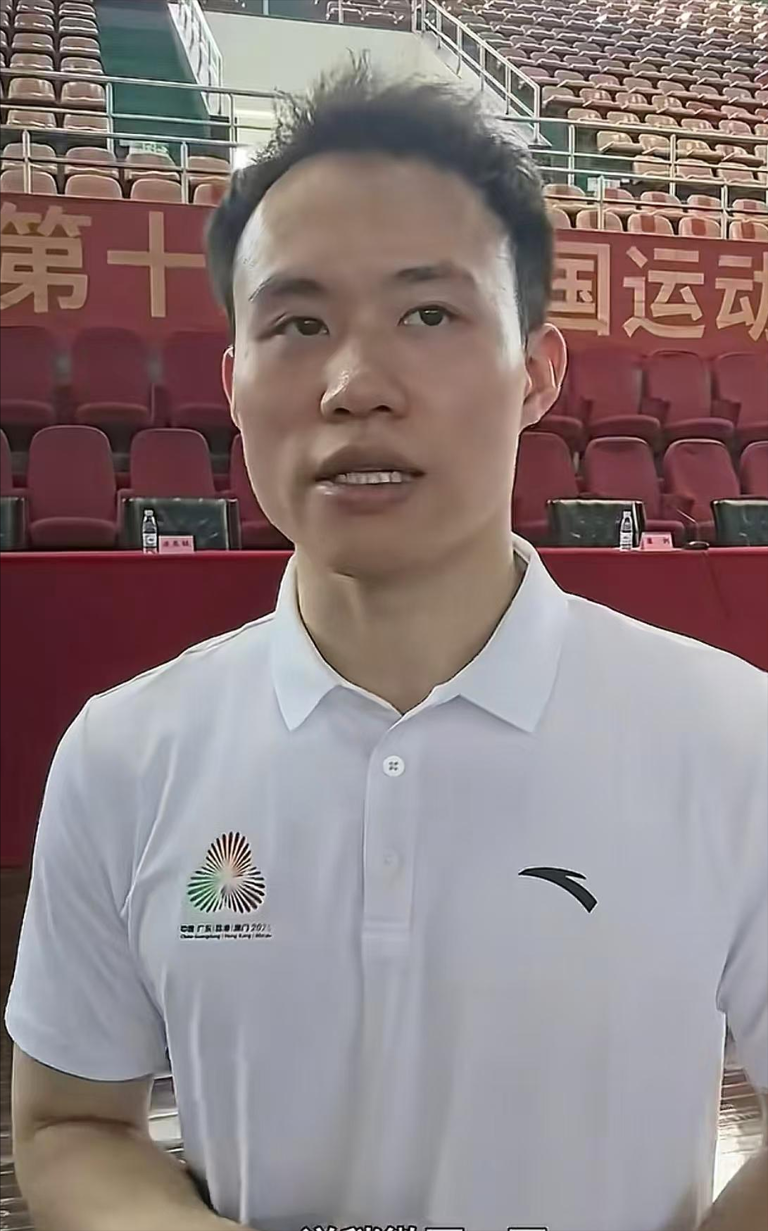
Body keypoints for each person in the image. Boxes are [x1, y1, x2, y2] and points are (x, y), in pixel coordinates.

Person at [5, 62, 767, 1231]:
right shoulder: (125, 753)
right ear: (235, 385)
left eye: (429, 315)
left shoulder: (733, 738)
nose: (356, 385)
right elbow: (70, 1123)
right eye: (299, 324)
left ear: (537, 371)